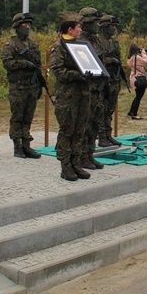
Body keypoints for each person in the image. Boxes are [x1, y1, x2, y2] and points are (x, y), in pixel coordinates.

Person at [49, 12, 92, 181]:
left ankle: (76, 163)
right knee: (67, 130)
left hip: (83, 94)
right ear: (70, 29)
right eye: (78, 27)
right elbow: (58, 71)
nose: (81, 30)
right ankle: (65, 166)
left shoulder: (82, 45)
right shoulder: (59, 47)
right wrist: (77, 75)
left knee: (80, 130)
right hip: (67, 96)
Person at [1, 12, 42, 159]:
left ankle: (26, 144)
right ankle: (17, 145)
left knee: (28, 116)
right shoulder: (11, 45)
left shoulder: (32, 45)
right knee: (17, 116)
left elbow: (38, 65)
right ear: (17, 27)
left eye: (29, 25)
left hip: (31, 86)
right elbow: (7, 63)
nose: (27, 27)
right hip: (18, 87)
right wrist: (23, 63)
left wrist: (39, 84)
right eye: (24, 25)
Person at [78, 7, 106, 170]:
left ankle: (90, 154)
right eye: (94, 22)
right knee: (85, 123)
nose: (97, 25)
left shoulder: (96, 41)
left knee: (95, 123)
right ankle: (81, 156)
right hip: (86, 88)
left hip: (98, 88)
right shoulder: (80, 41)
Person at [98, 15, 123, 147]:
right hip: (104, 80)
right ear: (104, 27)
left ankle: (108, 134)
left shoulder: (114, 42)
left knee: (110, 109)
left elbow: (118, 57)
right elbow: (98, 60)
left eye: (114, 27)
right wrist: (110, 60)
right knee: (102, 109)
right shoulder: (99, 41)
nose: (113, 29)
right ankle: (102, 136)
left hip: (114, 79)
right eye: (111, 26)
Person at [127, 43, 147, 120]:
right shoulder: (137, 57)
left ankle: (131, 111)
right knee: (139, 97)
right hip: (140, 78)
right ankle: (134, 114)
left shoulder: (130, 58)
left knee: (137, 96)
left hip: (133, 78)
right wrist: (143, 52)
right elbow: (146, 61)